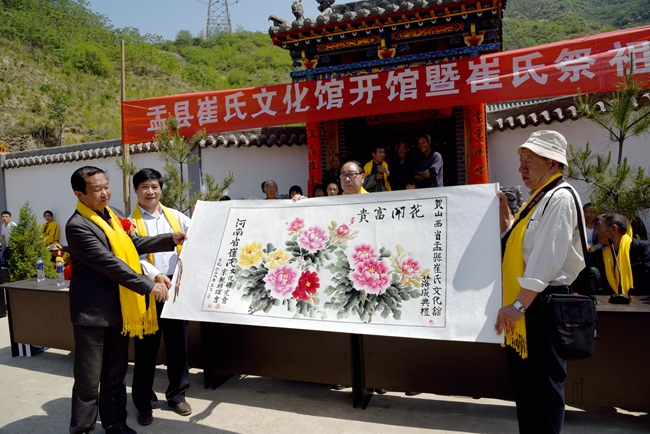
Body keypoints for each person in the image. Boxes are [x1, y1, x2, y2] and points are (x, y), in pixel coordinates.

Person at [66, 166, 186, 434]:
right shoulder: (78, 226)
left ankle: (114, 422)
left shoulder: (111, 216)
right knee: (88, 377)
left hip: (119, 309)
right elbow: (111, 264)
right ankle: (82, 428)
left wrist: (170, 238)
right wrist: (149, 285)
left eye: (106, 186)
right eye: (97, 189)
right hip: (93, 315)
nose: (105, 193)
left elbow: (134, 244)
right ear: (79, 194)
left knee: (115, 372)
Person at [496, 130, 585, 434]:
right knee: (527, 388)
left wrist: (519, 305)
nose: (521, 169)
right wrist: (506, 215)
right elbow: (522, 245)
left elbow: (545, 258)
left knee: (544, 389)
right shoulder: (537, 198)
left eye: (528, 162)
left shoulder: (559, 198)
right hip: (527, 304)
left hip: (540, 304)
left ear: (552, 163)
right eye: (520, 162)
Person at [130, 169, 192, 426]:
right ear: (136, 190)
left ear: (161, 189)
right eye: (144, 186)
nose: (150, 191)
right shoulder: (130, 222)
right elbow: (136, 255)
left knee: (178, 345)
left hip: (176, 289)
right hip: (149, 290)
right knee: (146, 349)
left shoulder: (176, 216)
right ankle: (144, 402)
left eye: (154, 186)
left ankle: (177, 395)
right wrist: (156, 276)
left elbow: (196, 239)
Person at [591, 213, 650, 295]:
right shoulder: (600, 255)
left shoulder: (641, 249)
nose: (596, 232)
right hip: (608, 304)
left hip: (638, 304)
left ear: (613, 229)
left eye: (599, 226)